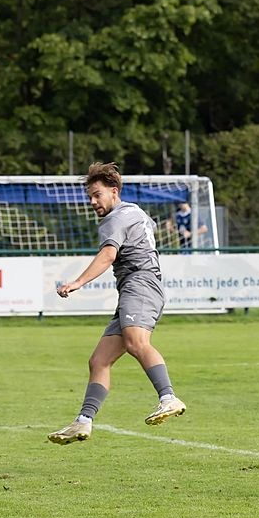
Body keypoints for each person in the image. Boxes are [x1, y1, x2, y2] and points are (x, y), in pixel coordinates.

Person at [48, 162, 186, 445]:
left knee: (137, 342)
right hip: (137, 286)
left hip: (140, 283)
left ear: (114, 191)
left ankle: (169, 397)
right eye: (90, 196)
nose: (92, 202)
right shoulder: (135, 211)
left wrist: (77, 282)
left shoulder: (114, 219)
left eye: (97, 195)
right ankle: (83, 421)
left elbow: (108, 255)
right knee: (99, 360)